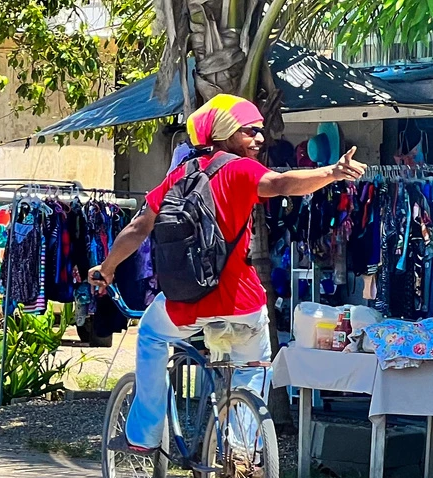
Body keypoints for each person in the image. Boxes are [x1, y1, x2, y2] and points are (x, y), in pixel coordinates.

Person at [89, 94, 366, 455]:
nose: (260, 138)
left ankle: (143, 436)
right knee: (252, 367)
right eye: (249, 131)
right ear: (224, 134)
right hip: (243, 304)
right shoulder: (239, 169)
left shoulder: (177, 176)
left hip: (185, 304)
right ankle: (241, 449)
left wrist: (106, 268)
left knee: (152, 335)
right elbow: (283, 184)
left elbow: (138, 228)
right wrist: (332, 172)